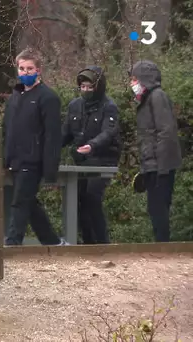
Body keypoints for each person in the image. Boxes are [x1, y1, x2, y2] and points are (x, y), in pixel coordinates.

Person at [3, 49, 66, 246]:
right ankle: (52, 242)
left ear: (38, 71)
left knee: (20, 202)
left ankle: (13, 244)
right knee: (29, 202)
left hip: (33, 160)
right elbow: (8, 128)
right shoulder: (16, 95)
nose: (25, 72)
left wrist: (50, 171)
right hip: (15, 159)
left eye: (30, 69)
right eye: (22, 68)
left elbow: (52, 136)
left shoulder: (48, 98)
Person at [62, 66, 121, 244]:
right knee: (77, 199)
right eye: (83, 87)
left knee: (92, 197)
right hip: (80, 160)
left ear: (98, 87)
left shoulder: (109, 107)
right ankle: (87, 241)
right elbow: (65, 134)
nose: (86, 90)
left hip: (103, 159)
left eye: (90, 87)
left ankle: (102, 242)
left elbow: (108, 133)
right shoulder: (75, 106)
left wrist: (92, 145)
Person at [130, 60, 182, 242]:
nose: (132, 83)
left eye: (134, 79)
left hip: (161, 166)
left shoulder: (157, 97)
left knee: (159, 208)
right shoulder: (146, 100)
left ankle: (163, 248)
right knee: (155, 209)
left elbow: (165, 132)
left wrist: (162, 168)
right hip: (153, 165)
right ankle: (161, 245)